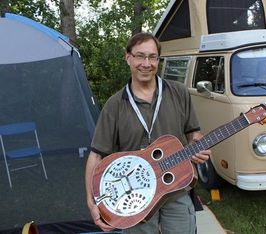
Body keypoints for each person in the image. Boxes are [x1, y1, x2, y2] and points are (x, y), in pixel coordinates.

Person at [85, 32, 211, 234]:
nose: (146, 63)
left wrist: (199, 147)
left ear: (158, 60)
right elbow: (96, 154)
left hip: (176, 190)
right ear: (128, 58)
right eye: (140, 56)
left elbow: (194, 134)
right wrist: (92, 201)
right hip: (134, 198)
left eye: (152, 57)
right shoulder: (114, 105)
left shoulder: (178, 92)